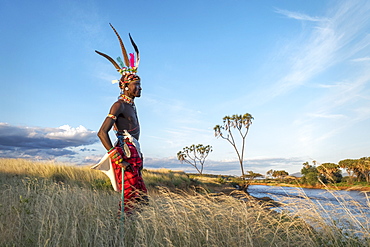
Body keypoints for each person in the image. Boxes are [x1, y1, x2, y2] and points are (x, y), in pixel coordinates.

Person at [93, 23, 147, 213]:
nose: (139, 88)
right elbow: (102, 133)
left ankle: (133, 232)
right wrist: (118, 159)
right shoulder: (119, 105)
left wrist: (138, 154)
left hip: (133, 152)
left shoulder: (131, 105)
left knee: (141, 198)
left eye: (139, 85)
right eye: (136, 85)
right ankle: (119, 234)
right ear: (125, 86)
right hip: (124, 153)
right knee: (130, 197)